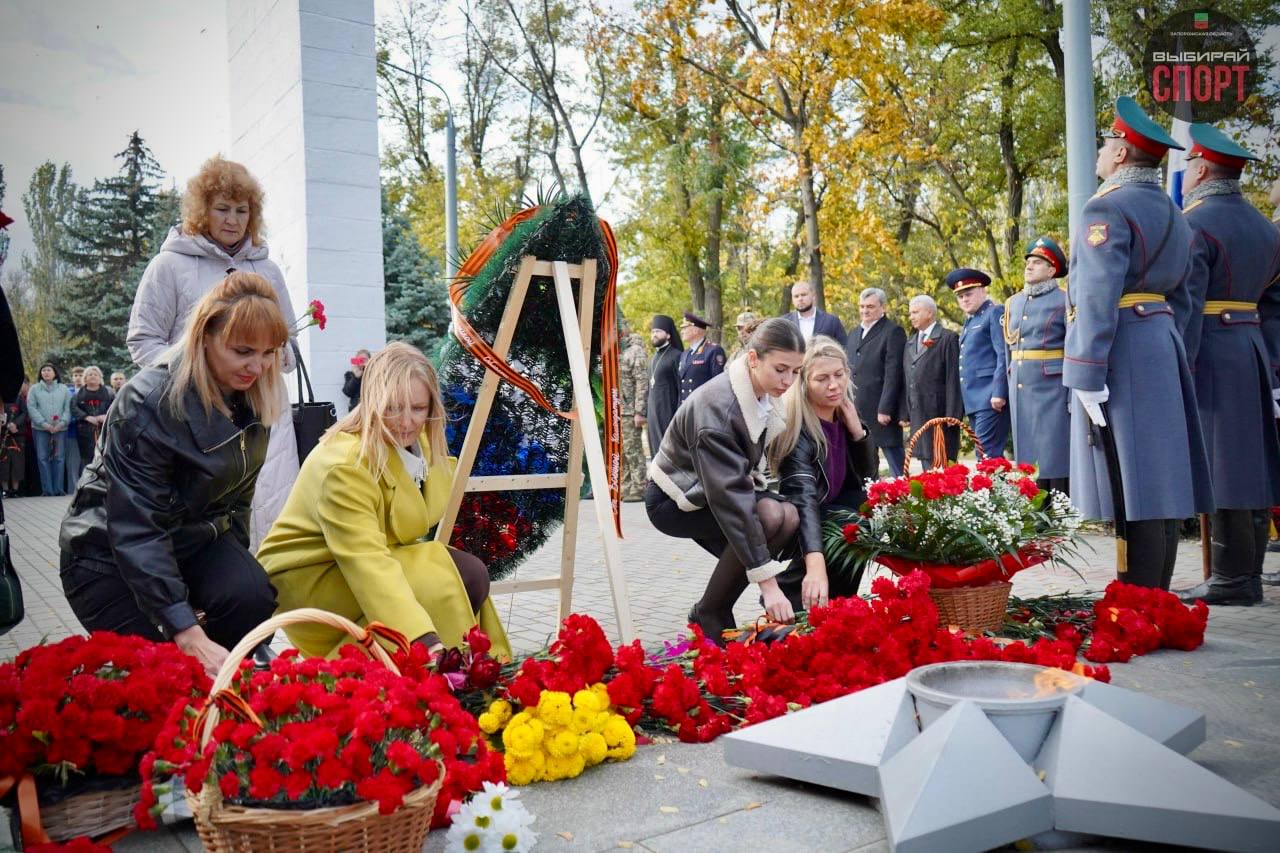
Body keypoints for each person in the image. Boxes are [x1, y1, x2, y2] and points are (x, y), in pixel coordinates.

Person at [59, 272, 286, 675]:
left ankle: (225, 702)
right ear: (204, 336)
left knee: (250, 595)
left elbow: (237, 504)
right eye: (243, 350)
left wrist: (230, 580)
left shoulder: (252, 397)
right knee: (167, 671)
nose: (259, 366)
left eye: (269, 352)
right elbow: (136, 527)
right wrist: (184, 625)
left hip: (190, 543)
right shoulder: (149, 401)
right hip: (107, 555)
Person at [258, 342, 512, 660]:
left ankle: (449, 670)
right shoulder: (345, 464)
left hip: (352, 559)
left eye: (418, 409)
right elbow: (366, 561)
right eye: (393, 407)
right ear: (373, 402)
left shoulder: (418, 443)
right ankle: (354, 673)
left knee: (463, 572)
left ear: (432, 406)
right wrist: (423, 639)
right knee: (455, 577)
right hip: (312, 578)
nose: (406, 421)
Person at [1064, 96, 1211, 590]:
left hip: (1121, 345)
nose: (1102, 154)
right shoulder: (1177, 214)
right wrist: (1177, 356)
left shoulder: (1105, 207)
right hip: (1162, 342)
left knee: (1132, 476)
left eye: (1107, 145)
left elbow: (1097, 293)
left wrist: (1085, 370)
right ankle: (1155, 590)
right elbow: (1188, 300)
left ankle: (1140, 595)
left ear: (1123, 153)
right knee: (1159, 475)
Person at [127, 154, 299, 549]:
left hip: (264, 411)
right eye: (223, 208)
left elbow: (286, 338)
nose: (233, 220)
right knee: (207, 522)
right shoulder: (169, 266)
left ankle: (273, 601)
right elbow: (143, 340)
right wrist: (193, 375)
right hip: (194, 413)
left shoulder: (266, 269)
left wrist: (277, 355)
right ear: (202, 211)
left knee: (274, 512)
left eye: (242, 210)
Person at [1170, 125, 1280, 606]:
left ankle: (1233, 580)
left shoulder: (1195, 223)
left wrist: (1181, 365)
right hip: (1252, 348)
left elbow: (1189, 305)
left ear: (1200, 169)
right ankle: (1246, 575)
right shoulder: (1264, 226)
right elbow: (1274, 305)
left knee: (1223, 465)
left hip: (1212, 348)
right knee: (1250, 463)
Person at [646, 318, 805, 644]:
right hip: (674, 500)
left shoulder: (760, 392)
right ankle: (711, 611)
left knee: (787, 516)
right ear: (753, 359)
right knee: (769, 516)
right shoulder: (718, 411)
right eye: (780, 369)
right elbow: (731, 499)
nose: (788, 381)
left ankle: (713, 607)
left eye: (796, 371)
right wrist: (768, 584)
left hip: (711, 491)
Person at [771, 337, 877, 611]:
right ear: (804, 383)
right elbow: (804, 500)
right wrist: (815, 564)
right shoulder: (798, 432)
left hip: (836, 515)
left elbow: (868, 479)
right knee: (850, 526)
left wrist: (859, 434)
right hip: (801, 518)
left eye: (839, 375)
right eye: (822, 379)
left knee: (861, 518)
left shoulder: (844, 416)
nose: (834, 385)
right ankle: (793, 598)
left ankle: (841, 604)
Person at [1004, 237, 1071, 493]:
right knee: (1027, 452)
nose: (1029, 266)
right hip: (1021, 384)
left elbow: (1072, 345)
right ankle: (1032, 508)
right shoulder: (1014, 303)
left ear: (1052, 270)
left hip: (1052, 385)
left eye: (1038, 262)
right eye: (1028, 262)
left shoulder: (1064, 300)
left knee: (1054, 451)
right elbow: (1009, 350)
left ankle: (1057, 510)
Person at [948, 268, 1009, 458]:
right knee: (986, 455)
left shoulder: (994, 313)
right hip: (975, 399)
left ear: (983, 291)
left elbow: (1003, 354)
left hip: (990, 397)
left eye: (969, 294)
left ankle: (992, 488)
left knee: (986, 454)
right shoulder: (971, 320)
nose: (964, 299)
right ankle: (996, 488)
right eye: (960, 296)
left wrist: (999, 392)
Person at [848, 287, 907, 476]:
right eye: (862, 306)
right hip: (857, 408)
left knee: (895, 461)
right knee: (865, 463)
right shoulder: (854, 333)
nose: (865, 311)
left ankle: (905, 499)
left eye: (870, 307)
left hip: (881, 410)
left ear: (883, 307)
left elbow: (894, 373)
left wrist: (886, 408)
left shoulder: (893, 331)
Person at [900, 295, 962, 469]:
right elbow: (908, 379)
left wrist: (953, 413)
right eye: (910, 313)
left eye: (915, 312)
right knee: (926, 465)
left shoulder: (947, 338)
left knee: (943, 464)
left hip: (940, 413)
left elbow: (953, 379)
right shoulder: (911, 341)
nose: (911, 316)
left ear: (929, 313)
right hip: (919, 413)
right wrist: (905, 412)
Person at [28, 363, 70, 496]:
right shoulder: (34, 389)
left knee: (59, 458)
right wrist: (44, 424)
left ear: (55, 373)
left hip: (60, 429)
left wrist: (61, 424)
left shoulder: (64, 389)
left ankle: (58, 489)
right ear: (40, 373)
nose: (46, 373)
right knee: (42, 458)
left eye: (49, 370)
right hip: (40, 429)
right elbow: (32, 408)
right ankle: (47, 490)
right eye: (43, 370)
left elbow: (68, 408)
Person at [619, 321, 649, 501]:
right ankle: (626, 486)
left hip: (630, 411)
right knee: (622, 451)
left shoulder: (635, 351)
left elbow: (642, 382)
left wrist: (640, 411)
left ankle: (639, 486)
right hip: (619, 409)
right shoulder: (618, 350)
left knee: (633, 449)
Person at [646, 315, 682, 455]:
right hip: (653, 413)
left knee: (669, 450)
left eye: (658, 331)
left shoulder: (677, 356)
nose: (654, 335)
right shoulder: (652, 359)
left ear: (667, 335)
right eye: (653, 331)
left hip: (669, 411)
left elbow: (680, 387)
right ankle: (656, 477)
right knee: (654, 448)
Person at [71, 366, 113, 475]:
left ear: (100, 378)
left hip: (105, 430)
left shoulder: (109, 392)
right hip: (85, 431)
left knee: (106, 456)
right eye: (90, 374)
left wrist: (105, 416)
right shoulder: (78, 394)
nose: (93, 376)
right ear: (85, 378)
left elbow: (116, 407)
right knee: (87, 459)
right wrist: (86, 417)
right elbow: (73, 408)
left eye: (95, 374)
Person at [677, 311, 726, 404]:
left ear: (695, 330)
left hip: (703, 406)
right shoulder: (684, 354)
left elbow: (718, 384)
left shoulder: (713, 350)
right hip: (685, 407)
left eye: (684, 328)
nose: (682, 331)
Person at [783, 281, 847, 346]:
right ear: (792, 300)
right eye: (796, 296)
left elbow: (844, 348)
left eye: (803, 295)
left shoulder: (831, 321)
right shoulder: (784, 322)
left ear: (813, 296)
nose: (800, 299)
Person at [2, 385, 28, 498]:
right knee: (3, 463)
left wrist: (15, 423)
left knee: (17, 463)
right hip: (2, 434)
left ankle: (15, 490)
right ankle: (5, 490)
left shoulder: (18, 397)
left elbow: (24, 412)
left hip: (17, 434)